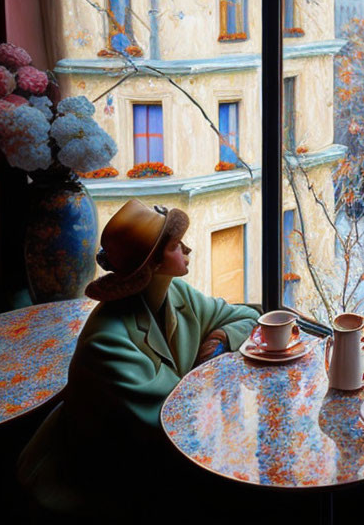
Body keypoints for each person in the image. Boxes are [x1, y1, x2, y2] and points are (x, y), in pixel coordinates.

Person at [18, 199, 260, 520]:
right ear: (153, 264)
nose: (187, 250)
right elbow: (172, 418)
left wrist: (219, 339)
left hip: (154, 457)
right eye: (176, 246)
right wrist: (211, 374)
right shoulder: (107, 342)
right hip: (103, 479)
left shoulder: (177, 295)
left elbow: (246, 316)